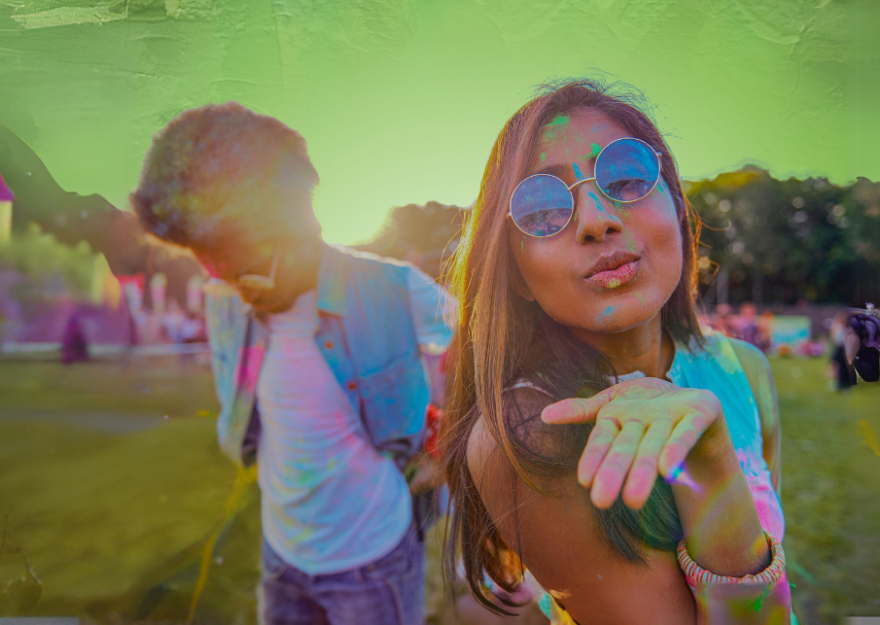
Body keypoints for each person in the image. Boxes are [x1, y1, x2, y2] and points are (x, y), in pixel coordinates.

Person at [441, 80, 791, 624]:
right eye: (540, 209)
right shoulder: (527, 438)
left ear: (676, 204)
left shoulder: (745, 369)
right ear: (519, 277)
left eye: (626, 177)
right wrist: (710, 458)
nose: (595, 220)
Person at [130, 103, 455, 625]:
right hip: (283, 559)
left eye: (241, 265)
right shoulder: (227, 300)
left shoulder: (392, 289)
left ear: (295, 225)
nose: (230, 284)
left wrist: (454, 436)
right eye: (211, 264)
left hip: (373, 561)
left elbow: (486, 342)